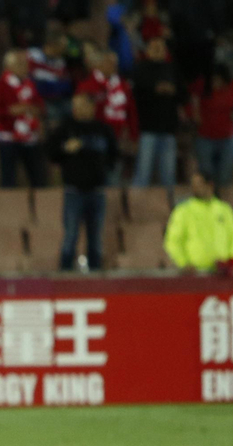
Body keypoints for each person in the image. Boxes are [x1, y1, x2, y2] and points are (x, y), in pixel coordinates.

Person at [47, 93, 118, 270]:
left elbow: (114, 154)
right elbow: (50, 151)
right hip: (74, 191)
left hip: (97, 191)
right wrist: (65, 148)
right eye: (75, 106)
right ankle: (65, 273)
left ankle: (96, 275)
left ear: (91, 107)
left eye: (81, 105)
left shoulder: (102, 129)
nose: (77, 109)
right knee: (70, 235)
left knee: (95, 237)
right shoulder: (66, 128)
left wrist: (103, 170)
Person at [189, 64, 233, 189]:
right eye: (213, 80)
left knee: (225, 175)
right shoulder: (202, 85)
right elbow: (190, 97)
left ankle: (222, 205)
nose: (216, 83)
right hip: (205, 137)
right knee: (206, 174)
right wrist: (194, 114)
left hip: (227, 138)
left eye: (219, 80)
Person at [0, 49, 46, 189]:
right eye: (20, 64)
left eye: (25, 64)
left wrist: (34, 110)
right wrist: (10, 111)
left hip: (30, 136)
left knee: (37, 176)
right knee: (8, 176)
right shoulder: (1, 85)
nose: (25, 67)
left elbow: (41, 107)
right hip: (8, 137)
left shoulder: (29, 84)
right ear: (9, 67)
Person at [164, 168, 233, 274]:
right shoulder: (183, 211)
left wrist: (231, 261)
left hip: (221, 273)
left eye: (199, 184)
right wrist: (184, 263)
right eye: (193, 184)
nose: (195, 188)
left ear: (210, 185)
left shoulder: (224, 209)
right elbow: (172, 241)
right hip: (194, 274)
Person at [75, 50, 135, 183]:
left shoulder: (122, 84)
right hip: (95, 136)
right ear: (99, 64)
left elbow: (131, 110)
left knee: (114, 173)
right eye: (109, 62)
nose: (113, 66)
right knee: (95, 174)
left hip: (118, 135)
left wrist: (133, 134)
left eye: (115, 63)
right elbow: (81, 110)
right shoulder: (87, 84)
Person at [132, 35, 180, 188]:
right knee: (143, 173)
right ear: (148, 50)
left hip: (168, 127)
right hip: (148, 127)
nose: (158, 50)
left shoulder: (172, 69)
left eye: (160, 47)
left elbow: (183, 94)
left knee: (168, 174)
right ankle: (138, 206)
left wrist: (173, 90)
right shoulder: (140, 69)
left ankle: (171, 208)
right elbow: (136, 94)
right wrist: (155, 90)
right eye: (154, 47)